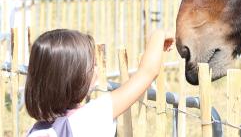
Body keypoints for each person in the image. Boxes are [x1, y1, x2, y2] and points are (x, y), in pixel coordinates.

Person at [24, 28, 173, 137]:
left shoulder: (37, 131)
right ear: (75, 77)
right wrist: (158, 35)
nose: (96, 69)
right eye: (93, 65)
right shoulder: (89, 118)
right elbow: (147, 72)